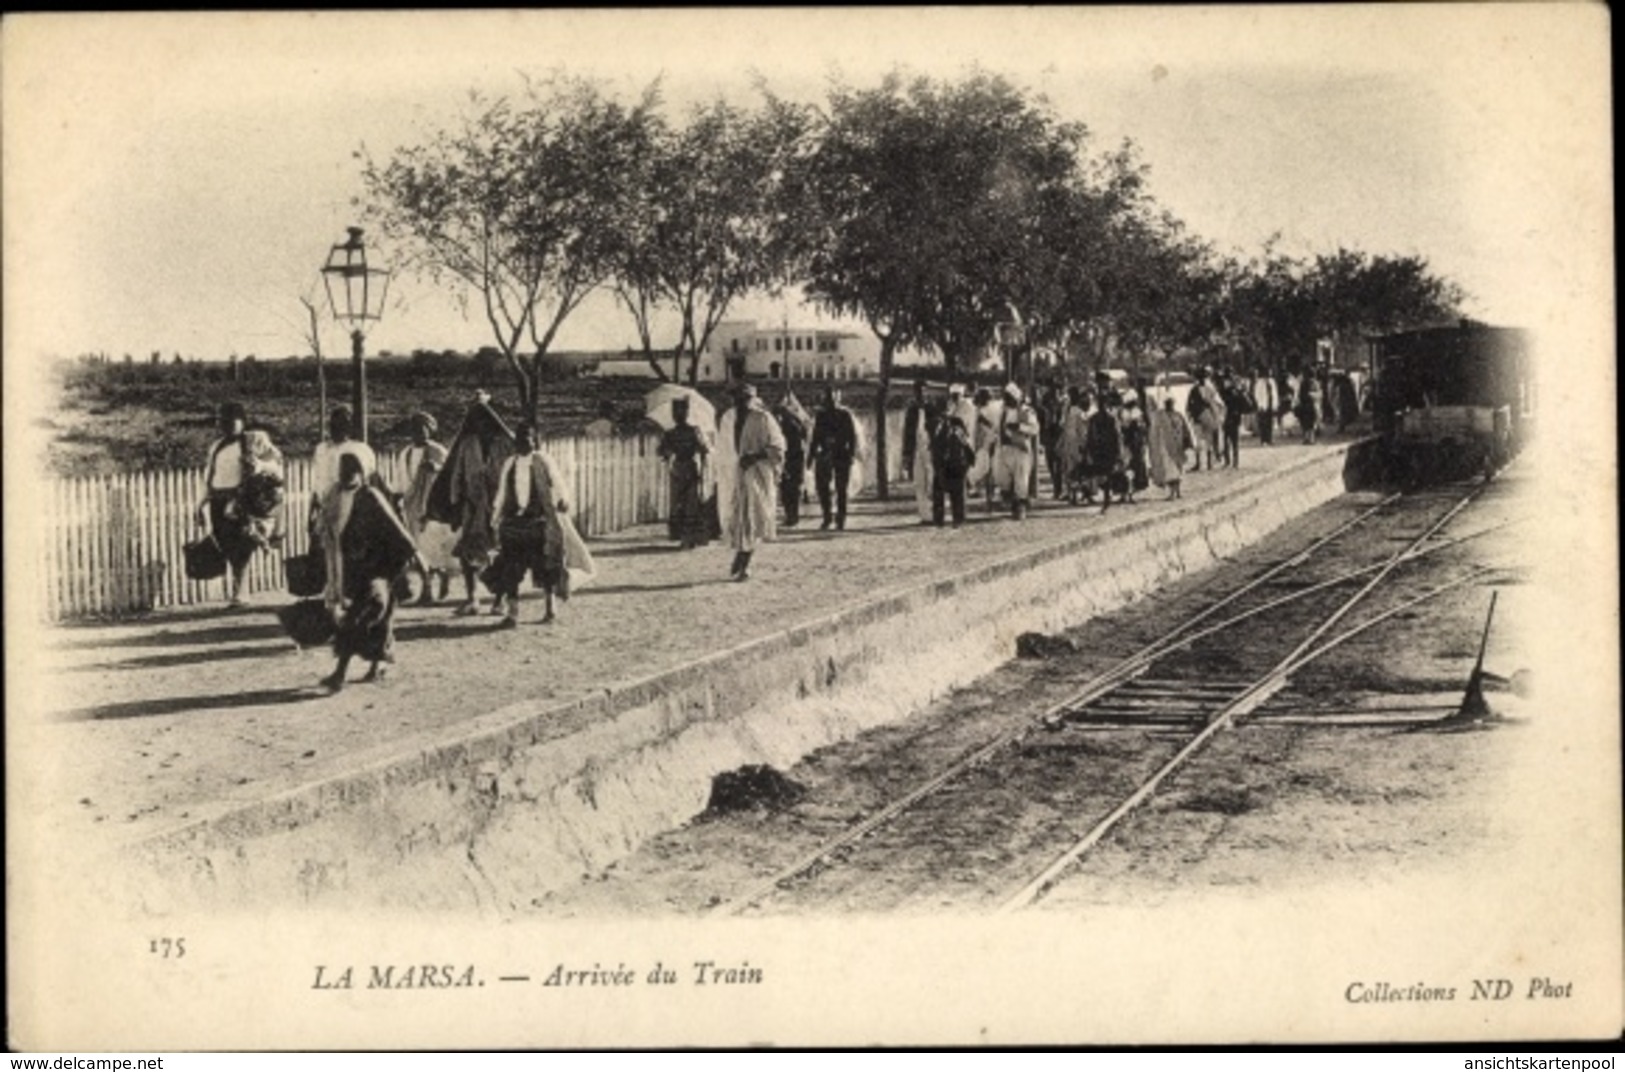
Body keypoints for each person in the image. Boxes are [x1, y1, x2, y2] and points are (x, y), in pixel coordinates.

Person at [319, 452, 418, 692]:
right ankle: (376, 667)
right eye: (342, 469)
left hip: (375, 571)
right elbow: (326, 530)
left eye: (350, 470)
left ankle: (340, 673)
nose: (344, 474)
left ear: (360, 473)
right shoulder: (334, 495)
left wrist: (389, 571)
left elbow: (402, 538)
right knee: (379, 620)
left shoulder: (370, 497)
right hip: (350, 570)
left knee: (356, 620)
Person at [427, 393, 514, 617]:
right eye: (476, 421)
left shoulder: (505, 443)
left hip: (499, 508)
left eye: (485, 419)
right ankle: (472, 599)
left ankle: (499, 600)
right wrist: (456, 505)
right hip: (472, 508)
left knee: (501, 554)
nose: (481, 425)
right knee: (468, 554)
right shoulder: (467, 444)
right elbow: (456, 476)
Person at [486, 423, 573, 627]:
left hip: (539, 522)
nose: (523, 441)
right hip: (514, 523)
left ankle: (550, 609)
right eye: (519, 438)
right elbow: (502, 491)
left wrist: (564, 499)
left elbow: (558, 482)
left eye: (528, 437)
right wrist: (495, 516)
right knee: (510, 568)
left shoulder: (543, 460)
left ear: (535, 440)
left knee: (545, 566)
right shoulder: (510, 463)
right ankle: (513, 614)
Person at [194, 401, 267, 606]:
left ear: (243, 421)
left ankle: (241, 593)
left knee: (242, 546)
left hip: (239, 501)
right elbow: (208, 475)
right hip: (218, 500)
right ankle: (236, 591)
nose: (228, 426)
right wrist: (200, 504)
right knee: (225, 545)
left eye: (232, 421)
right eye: (223, 422)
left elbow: (274, 461)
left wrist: (259, 465)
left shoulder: (254, 440)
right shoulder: (216, 446)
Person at [310, 405, 380, 611]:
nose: (337, 428)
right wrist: (313, 509)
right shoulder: (321, 449)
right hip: (326, 504)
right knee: (329, 551)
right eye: (333, 424)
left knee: (350, 551)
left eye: (342, 424)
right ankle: (333, 595)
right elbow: (318, 481)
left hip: (351, 503)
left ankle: (351, 595)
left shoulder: (360, 449)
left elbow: (370, 479)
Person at [718, 383, 785, 580]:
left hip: (757, 473)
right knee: (738, 517)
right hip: (736, 474)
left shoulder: (763, 418)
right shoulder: (728, 420)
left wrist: (755, 456)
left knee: (753, 516)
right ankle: (741, 553)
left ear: (752, 399)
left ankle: (745, 561)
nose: (740, 402)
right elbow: (724, 448)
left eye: (745, 398)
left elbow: (778, 447)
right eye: (737, 398)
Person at [394, 412, 456, 604]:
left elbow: (451, 475)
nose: (419, 433)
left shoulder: (438, 451)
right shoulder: (405, 454)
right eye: (415, 430)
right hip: (412, 506)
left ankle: (436, 581)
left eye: (423, 429)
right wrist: (398, 497)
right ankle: (429, 585)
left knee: (432, 547)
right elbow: (401, 480)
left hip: (433, 507)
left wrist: (436, 468)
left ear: (430, 430)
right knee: (416, 548)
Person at [658, 397, 711, 549]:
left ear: (687, 413)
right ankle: (683, 536)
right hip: (678, 469)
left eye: (682, 411)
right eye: (676, 412)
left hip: (689, 467)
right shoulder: (669, 433)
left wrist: (703, 464)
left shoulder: (694, 431)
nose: (679, 414)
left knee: (691, 504)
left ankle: (689, 538)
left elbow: (704, 449)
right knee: (678, 504)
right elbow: (661, 451)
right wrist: (667, 453)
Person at [807, 384, 858, 531]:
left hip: (841, 454)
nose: (829, 401)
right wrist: (811, 456)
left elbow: (852, 436)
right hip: (825, 455)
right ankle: (827, 517)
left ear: (838, 398)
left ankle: (841, 518)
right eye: (827, 397)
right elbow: (815, 437)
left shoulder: (845, 415)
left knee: (841, 488)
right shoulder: (821, 415)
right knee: (823, 487)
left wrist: (851, 454)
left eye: (832, 397)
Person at [991, 383, 1040, 520]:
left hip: (1020, 449)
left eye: (1009, 397)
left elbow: (1034, 429)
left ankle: (1020, 509)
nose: (1006, 400)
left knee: (1021, 480)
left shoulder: (1026, 411)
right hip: (1004, 449)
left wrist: (1019, 427)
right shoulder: (1002, 412)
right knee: (1003, 478)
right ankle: (1010, 502)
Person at [930, 405, 975, 528]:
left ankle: (957, 519)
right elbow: (934, 448)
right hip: (943, 465)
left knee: (957, 493)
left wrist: (969, 460)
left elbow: (966, 445)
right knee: (939, 492)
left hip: (956, 465)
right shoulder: (935, 427)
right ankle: (939, 520)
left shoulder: (957, 428)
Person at [1081, 390, 1126, 513]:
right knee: (1102, 475)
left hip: (1106, 451)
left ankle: (1107, 498)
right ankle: (1107, 497)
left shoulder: (1108, 419)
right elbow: (1090, 436)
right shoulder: (1098, 419)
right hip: (1100, 451)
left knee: (1106, 475)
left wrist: (1118, 452)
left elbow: (1117, 436)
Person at [902, 379, 937, 525]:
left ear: (926, 392)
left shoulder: (933, 408)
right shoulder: (911, 410)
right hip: (917, 449)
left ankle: (935, 513)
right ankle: (925, 516)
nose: (920, 395)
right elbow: (907, 433)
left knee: (932, 481)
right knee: (919, 481)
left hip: (930, 449)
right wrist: (906, 454)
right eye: (918, 392)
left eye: (923, 391)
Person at [771, 393, 809, 528]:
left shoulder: (791, 426)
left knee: (791, 489)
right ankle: (791, 515)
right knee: (788, 489)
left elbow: (797, 445)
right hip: (792, 459)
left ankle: (793, 516)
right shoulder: (790, 424)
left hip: (794, 459)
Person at [1148, 396, 1194, 499]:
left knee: (1177, 470)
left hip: (1177, 446)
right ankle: (1173, 492)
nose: (1169, 405)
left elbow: (1186, 431)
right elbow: (1155, 432)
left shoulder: (1178, 415)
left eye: (1170, 403)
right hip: (1167, 447)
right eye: (1168, 403)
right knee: (1171, 470)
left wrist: (1188, 443)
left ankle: (1176, 492)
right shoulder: (1161, 417)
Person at [1185, 368, 1226, 470]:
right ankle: (1209, 463)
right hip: (1208, 416)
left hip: (1198, 417)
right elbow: (1219, 404)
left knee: (1199, 440)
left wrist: (1190, 415)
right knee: (1209, 440)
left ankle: (1200, 463)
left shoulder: (1194, 390)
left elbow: (1189, 406)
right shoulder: (1210, 389)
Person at [1218, 371, 1251, 468]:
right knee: (1226, 440)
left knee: (1233, 440)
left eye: (1227, 380)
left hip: (1233, 418)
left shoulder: (1234, 392)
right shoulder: (1224, 391)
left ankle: (1235, 461)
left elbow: (1243, 405)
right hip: (1226, 418)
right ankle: (1228, 460)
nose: (1225, 382)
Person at [1251, 367, 1280, 445]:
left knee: (1270, 423)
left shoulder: (1272, 382)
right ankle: (1263, 440)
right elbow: (1256, 394)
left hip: (1270, 404)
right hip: (1263, 405)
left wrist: (1275, 404)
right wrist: (1259, 404)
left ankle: (1269, 439)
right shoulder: (1259, 382)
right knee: (1263, 423)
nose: (1270, 374)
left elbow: (1275, 393)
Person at [1297, 370, 1324, 445]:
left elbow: (1300, 395)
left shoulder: (1303, 383)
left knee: (1306, 423)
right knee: (1311, 422)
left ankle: (1307, 438)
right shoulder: (1315, 383)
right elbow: (1319, 394)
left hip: (1305, 405)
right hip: (1312, 405)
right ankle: (1311, 438)